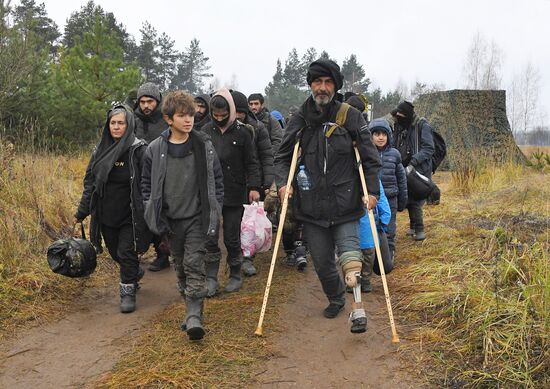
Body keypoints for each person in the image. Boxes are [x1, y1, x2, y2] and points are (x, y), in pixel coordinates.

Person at [274, 59, 381, 333]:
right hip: (311, 208)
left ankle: (358, 311)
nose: (322, 88)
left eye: (328, 82)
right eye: (317, 82)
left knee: (351, 260)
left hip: (345, 202)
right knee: (322, 263)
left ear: (335, 86)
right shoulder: (300, 118)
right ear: (310, 85)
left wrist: (371, 191)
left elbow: (369, 158)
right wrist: (284, 184)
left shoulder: (350, 116)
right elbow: (282, 156)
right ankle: (336, 297)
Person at [141, 91, 223, 340]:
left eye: (191, 115)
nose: (188, 120)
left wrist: (215, 206)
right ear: (168, 119)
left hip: (197, 218)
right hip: (170, 221)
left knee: (194, 264)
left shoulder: (203, 145)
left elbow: (216, 180)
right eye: (182, 115)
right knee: (180, 268)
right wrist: (150, 208)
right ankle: (190, 310)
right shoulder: (155, 149)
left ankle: (194, 315)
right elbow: (146, 183)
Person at [75, 105, 150, 313]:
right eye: (113, 123)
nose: (116, 127)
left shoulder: (138, 149)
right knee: (116, 253)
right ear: (108, 126)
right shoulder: (100, 151)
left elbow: (148, 183)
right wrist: (81, 212)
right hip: (106, 214)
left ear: (129, 125)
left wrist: (151, 210)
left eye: (121, 123)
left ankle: (128, 292)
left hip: (131, 214)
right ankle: (133, 271)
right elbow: (90, 184)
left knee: (126, 252)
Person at [201, 88, 261, 295]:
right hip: (209, 193)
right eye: (215, 115)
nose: (219, 119)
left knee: (232, 237)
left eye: (223, 115)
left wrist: (254, 187)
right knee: (210, 236)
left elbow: (252, 162)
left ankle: (235, 274)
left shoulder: (243, 132)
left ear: (231, 111)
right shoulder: (204, 132)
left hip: (235, 192)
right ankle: (210, 277)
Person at [231, 90, 275, 276]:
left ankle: (248, 257)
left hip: (253, 181)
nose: (238, 117)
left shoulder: (258, 128)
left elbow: (266, 155)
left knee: (250, 223)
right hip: (231, 181)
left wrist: (265, 182)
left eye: (241, 113)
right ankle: (234, 257)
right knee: (234, 222)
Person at [134, 82, 171, 271]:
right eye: (142, 101)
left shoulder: (166, 119)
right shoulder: (133, 120)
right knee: (143, 213)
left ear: (157, 101)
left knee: (160, 213)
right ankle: (139, 251)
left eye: (150, 101)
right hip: (138, 176)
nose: (146, 105)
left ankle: (163, 253)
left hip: (162, 174)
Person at [387, 101, 435, 241]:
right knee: (407, 197)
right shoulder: (402, 125)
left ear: (407, 114)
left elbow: (429, 148)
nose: (398, 117)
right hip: (405, 167)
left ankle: (419, 229)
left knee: (415, 199)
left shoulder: (422, 125)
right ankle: (413, 227)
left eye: (400, 115)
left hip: (419, 169)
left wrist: (414, 162)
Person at [368, 118, 407, 260]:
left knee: (389, 228)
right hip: (372, 198)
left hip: (390, 198)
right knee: (372, 227)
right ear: (370, 136)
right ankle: (372, 255)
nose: (380, 137)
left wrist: (403, 200)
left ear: (388, 136)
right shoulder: (366, 154)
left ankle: (388, 254)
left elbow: (401, 179)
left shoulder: (394, 154)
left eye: (384, 134)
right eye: (376, 134)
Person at [357, 180, 391, 293]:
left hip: (350, 222)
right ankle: (365, 280)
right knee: (368, 252)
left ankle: (352, 279)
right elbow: (381, 200)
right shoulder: (371, 178)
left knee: (351, 252)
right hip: (368, 219)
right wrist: (384, 220)